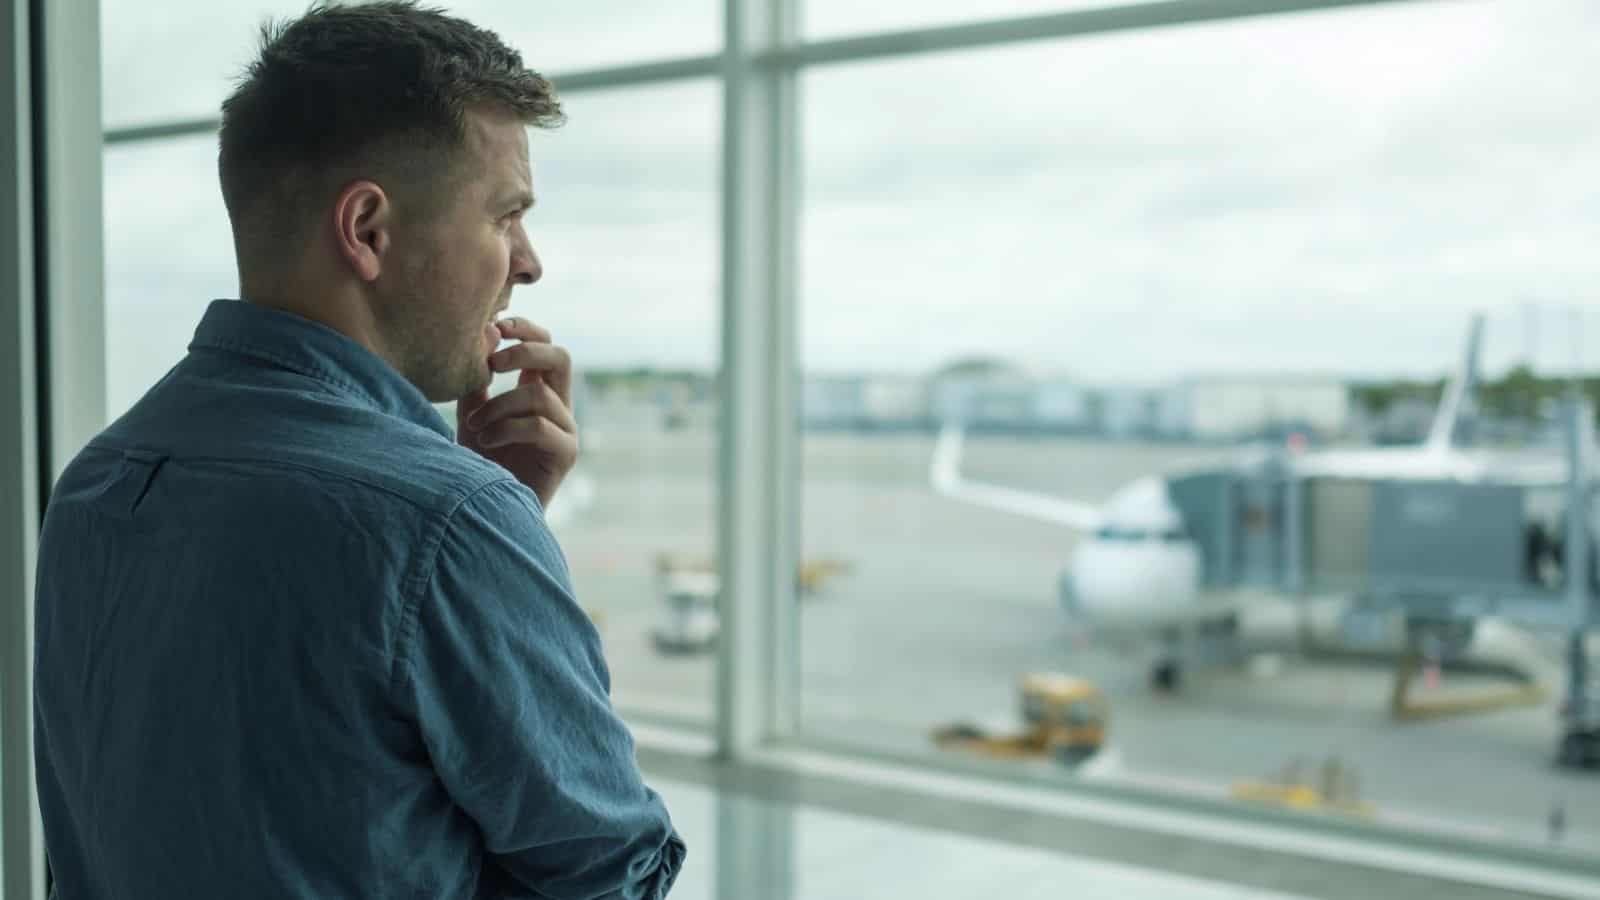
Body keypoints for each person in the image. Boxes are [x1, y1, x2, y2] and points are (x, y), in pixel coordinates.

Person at [33, 3, 683, 897]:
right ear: (369, 230)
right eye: (505, 216)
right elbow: (616, 877)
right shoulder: (449, 525)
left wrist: (491, 522)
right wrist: (488, 530)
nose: (527, 263)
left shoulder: (100, 483)